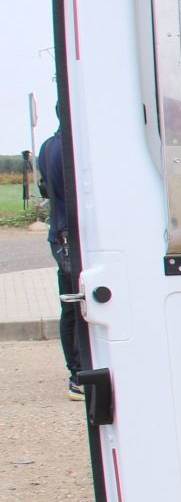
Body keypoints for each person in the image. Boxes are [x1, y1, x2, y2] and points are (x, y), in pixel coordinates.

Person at [36, 127, 83, 400]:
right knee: (79, 307)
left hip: (59, 234)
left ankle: (76, 373)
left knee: (70, 306)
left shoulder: (47, 146)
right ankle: (78, 375)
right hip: (71, 236)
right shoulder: (70, 148)